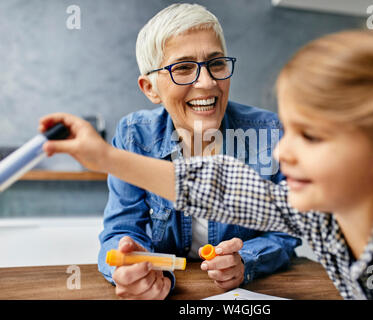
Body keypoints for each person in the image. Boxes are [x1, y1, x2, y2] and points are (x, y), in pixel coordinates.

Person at [40, 29, 373, 299]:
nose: (282, 152)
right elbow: (221, 188)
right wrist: (104, 158)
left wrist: (247, 262)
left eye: (310, 137)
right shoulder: (319, 221)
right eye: (289, 131)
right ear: (149, 86)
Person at [84, 3, 299, 300]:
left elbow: (288, 230)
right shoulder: (134, 135)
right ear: (150, 88)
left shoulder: (268, 131)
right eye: (183, 68)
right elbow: (121, 231)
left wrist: (246, 260)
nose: (207, 82)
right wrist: (130, 269)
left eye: (217, 64)